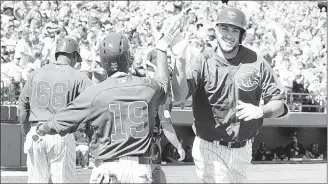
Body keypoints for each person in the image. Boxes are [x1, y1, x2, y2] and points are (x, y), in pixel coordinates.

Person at [35, 16, 183, 183]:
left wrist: (42, 128)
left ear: (104, 62)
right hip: (139, 169)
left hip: (107, 168)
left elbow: (59, 121)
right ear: (129, 59)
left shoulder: (94, 93)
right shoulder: (148, 87)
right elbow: (163, 82)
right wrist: (161, 49)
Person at [171, 7, 289, 183]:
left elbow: (280, 105)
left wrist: (261, 111)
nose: (229, 34)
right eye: (224, 28)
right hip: (209, 146)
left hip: (244, 149)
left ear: (242, 34)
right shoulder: (203, 61)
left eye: (235, 30)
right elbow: (179, 96)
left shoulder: (256, 61)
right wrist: (179, 63)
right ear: (216, 30)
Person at [18, 37, 93, 183]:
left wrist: (26, 129)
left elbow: (22, 105)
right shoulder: (78, 77)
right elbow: (95, 101)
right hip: (60, 134)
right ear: (74, 55)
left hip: (36, 133)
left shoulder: (36, 73)